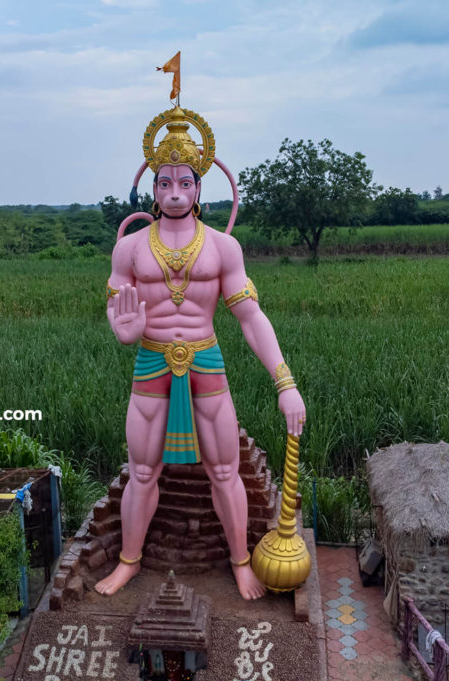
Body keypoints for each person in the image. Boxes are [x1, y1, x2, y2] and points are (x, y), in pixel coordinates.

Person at [94, 104, 305, 601]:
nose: (173, 193)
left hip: (206, 361)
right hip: (151, 361)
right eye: (163, 182)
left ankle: (239, 562)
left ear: (199, 188)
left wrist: (285, 381)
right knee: (142, 470)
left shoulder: (222, 249)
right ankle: (129, 560)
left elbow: (251, 317)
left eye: (183, 182)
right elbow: (117, 306)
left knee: (225, 469)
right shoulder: (129, 250)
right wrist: (124, 330)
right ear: (152, 188)